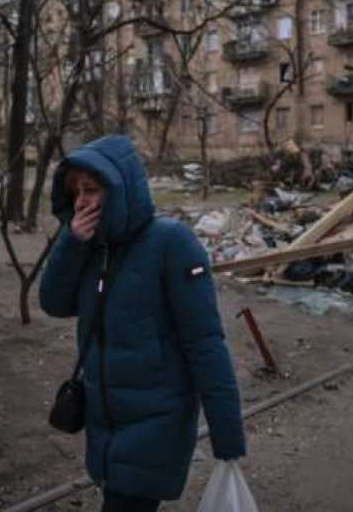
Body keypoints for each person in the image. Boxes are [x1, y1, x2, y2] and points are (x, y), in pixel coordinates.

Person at [39, 135, 246, 511]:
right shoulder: (93, 246)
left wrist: (226, 435)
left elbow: (205, 342)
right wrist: (70, 245)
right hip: (105, 422)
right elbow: (53, 304)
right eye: (75, 192)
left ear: (119, 190)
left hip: (156, 424)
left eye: (91, 190)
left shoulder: (172, 243)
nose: (81, 201)